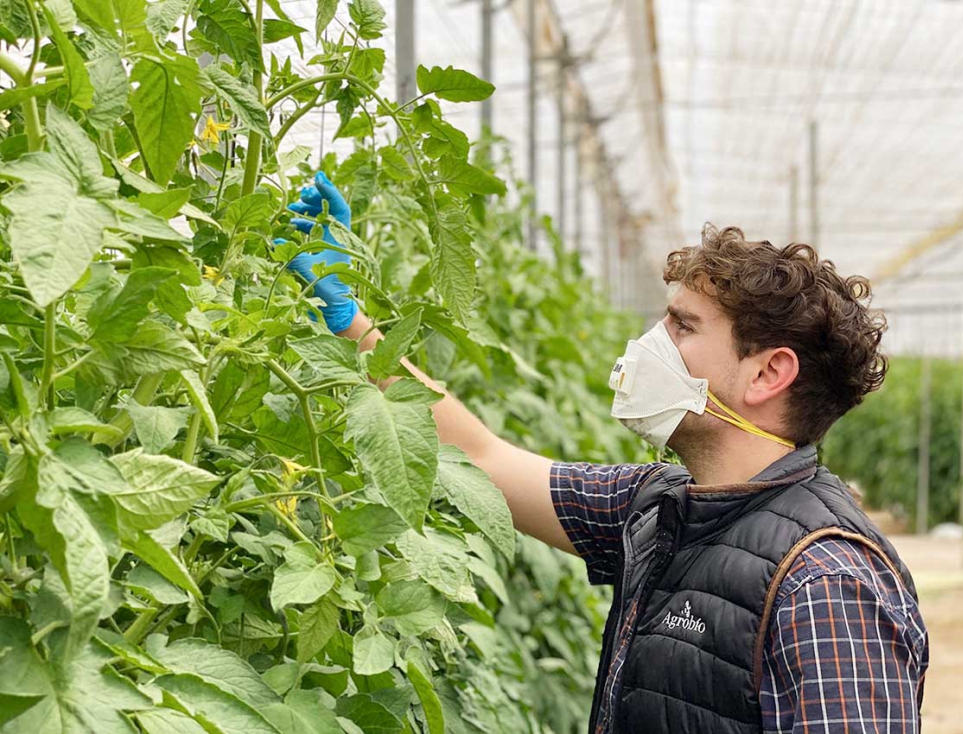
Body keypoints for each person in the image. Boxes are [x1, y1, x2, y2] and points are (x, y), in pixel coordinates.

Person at [280, 173, 929, 734]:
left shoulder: (825, 585)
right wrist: (352, 321)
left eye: (683, 326)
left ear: (767, 375)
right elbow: (481, 457)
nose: (650, 344)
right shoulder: (658, 509)